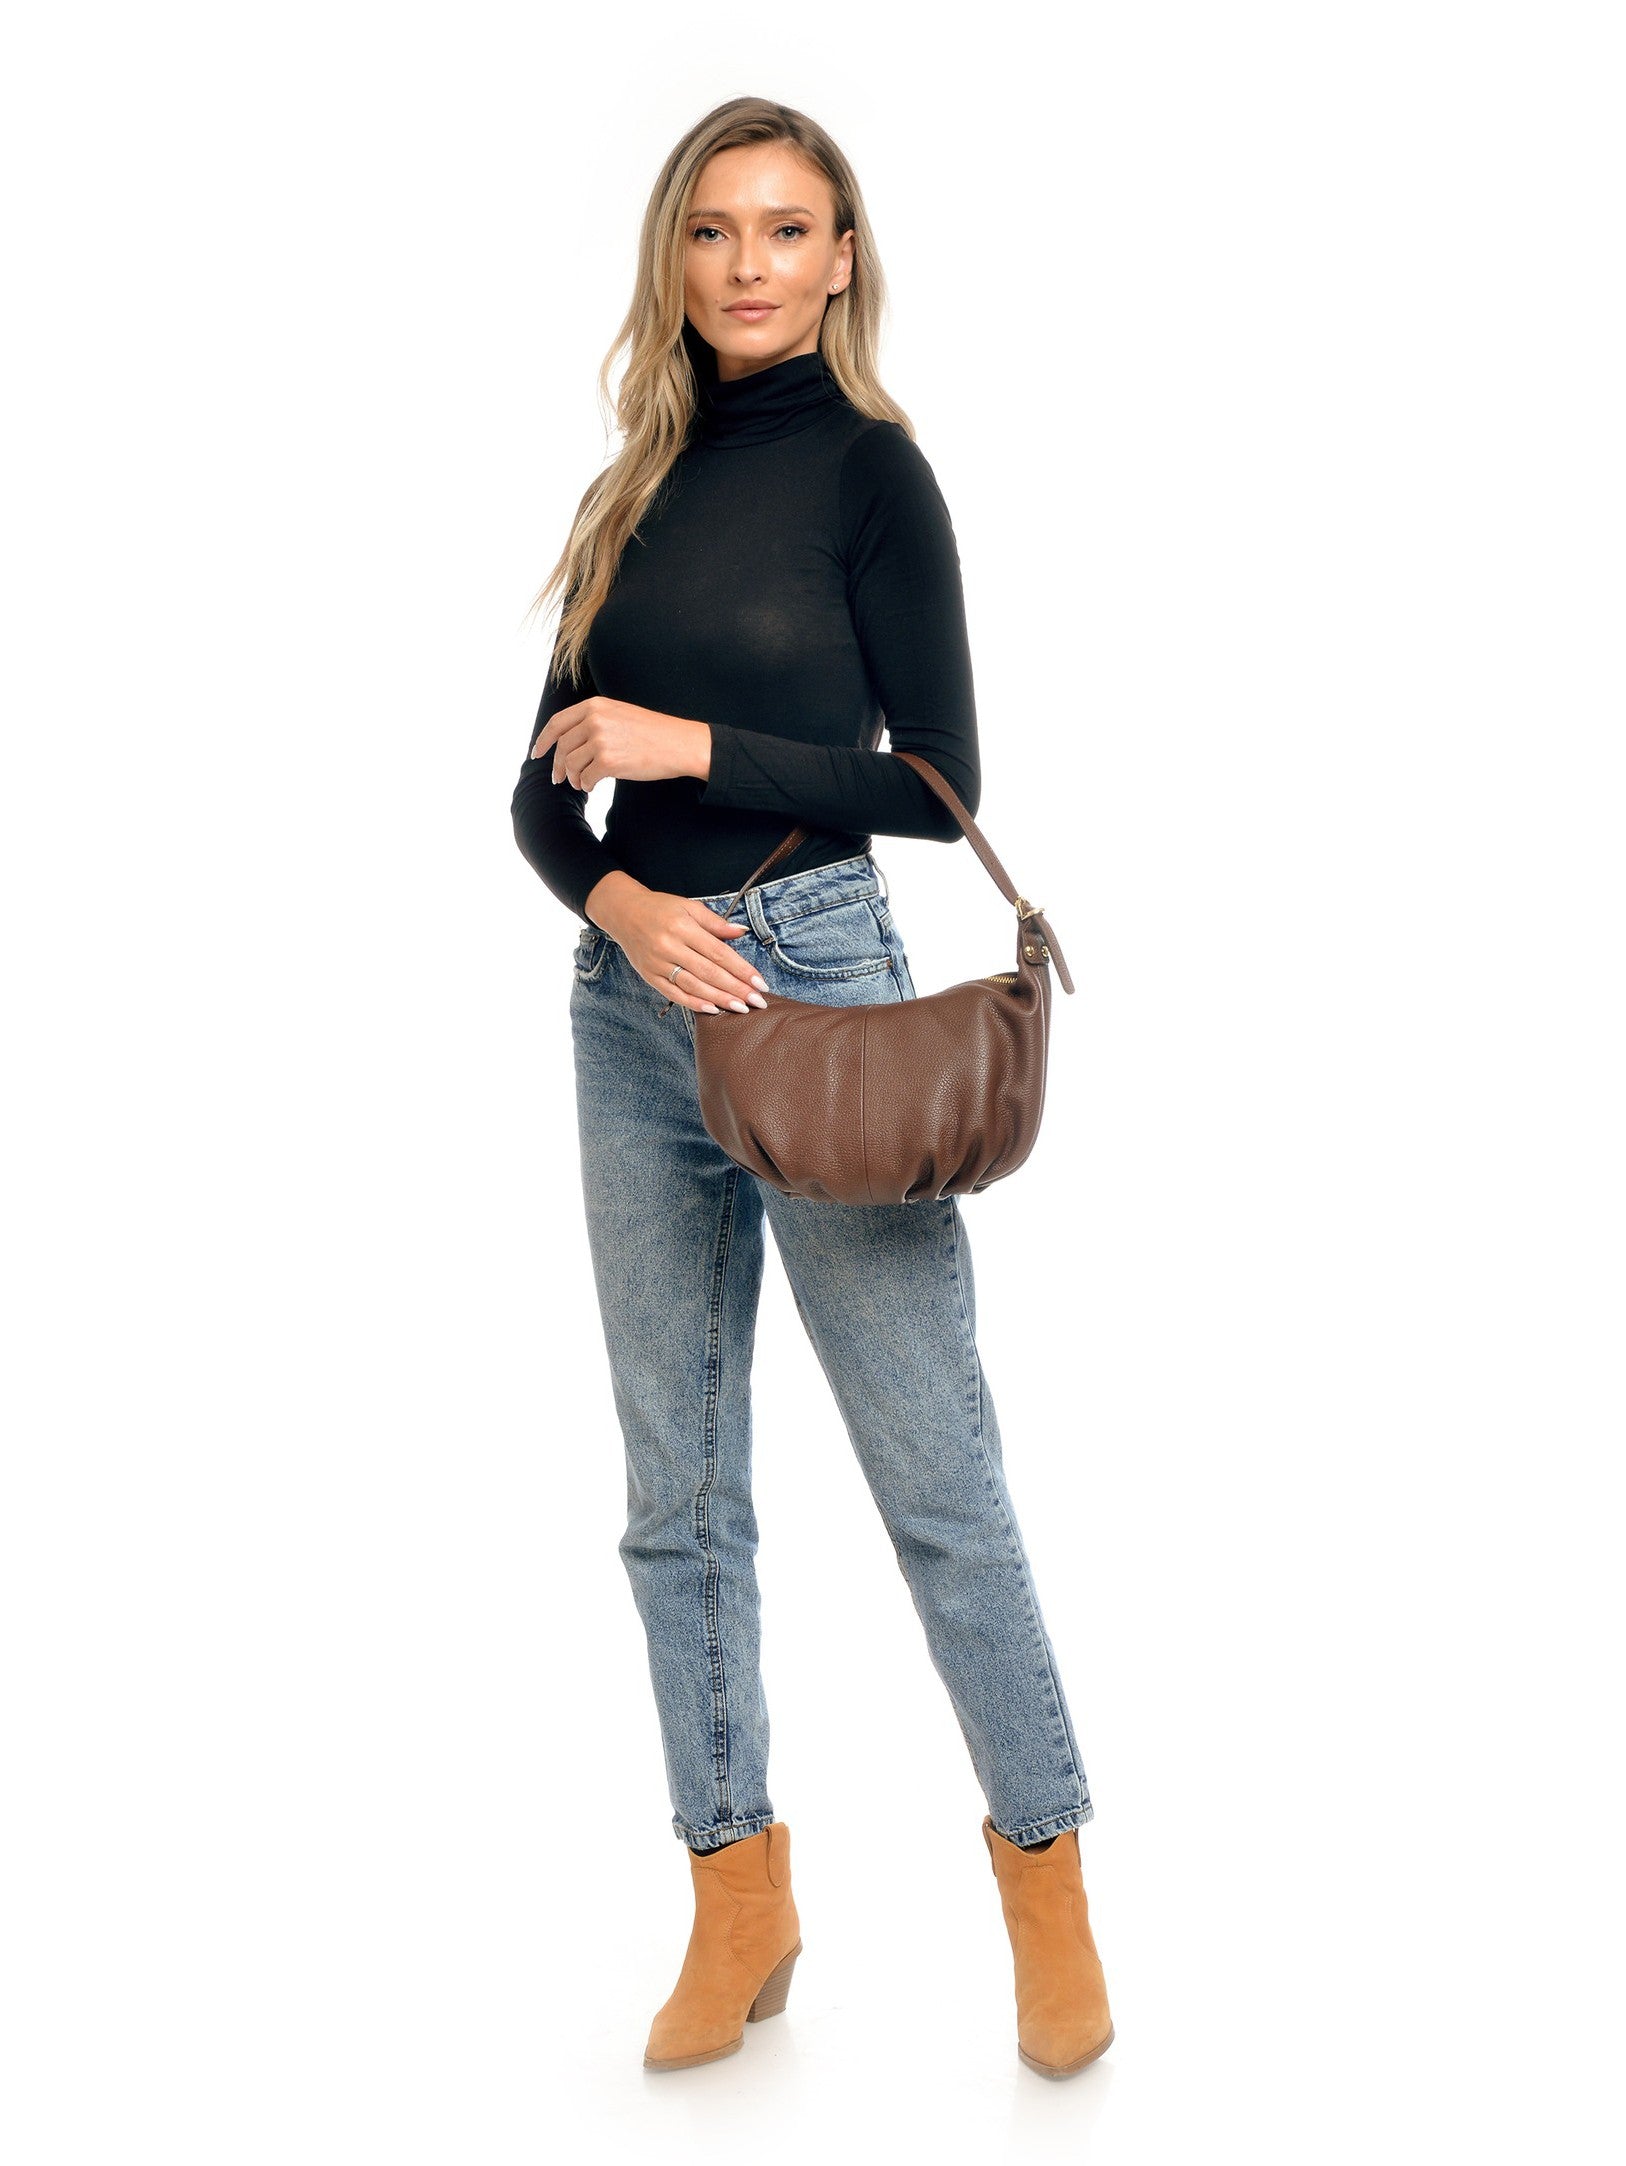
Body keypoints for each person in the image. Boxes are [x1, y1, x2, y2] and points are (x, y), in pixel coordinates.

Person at [510, 96, 1114, 2082]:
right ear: (674, 260)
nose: (748, 262)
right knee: (675, 1494)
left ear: (842, 260)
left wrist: (686, 746)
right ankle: (736, 1893)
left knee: (935, 1472)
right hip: (632, 1009)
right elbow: (538, 785)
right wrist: (614, 895)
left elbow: (935, 782)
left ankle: (1046, 1881)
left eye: (786, 227)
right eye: (713, 229)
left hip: (821, 983)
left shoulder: (873, 475)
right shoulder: (635, 482)